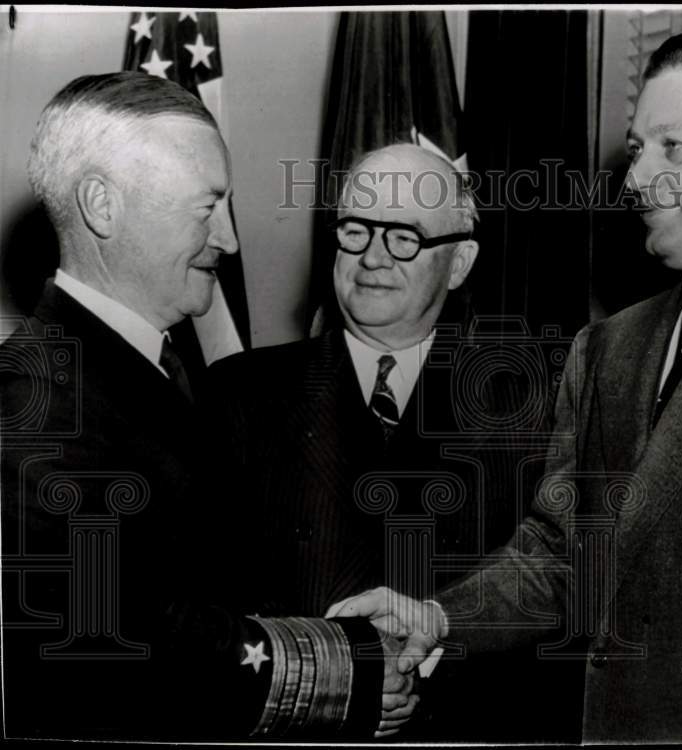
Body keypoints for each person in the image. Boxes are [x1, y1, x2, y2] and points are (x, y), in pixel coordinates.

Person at [330, 28, 682, 744]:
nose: (635, 180)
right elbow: (558, 556)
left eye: (672, 148)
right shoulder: (609, 346)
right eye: (635, 150)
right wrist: (437, 616)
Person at [0, 72, 413, 741]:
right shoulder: (36, 403)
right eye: (206, 208)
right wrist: (352, 666)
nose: (228, 238)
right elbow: (116, 639)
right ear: (103, 207)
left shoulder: (136, 368)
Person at [213, 143, 581, 741]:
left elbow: (556, 588)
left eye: (404, 237)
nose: (372, 258)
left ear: (459, 263)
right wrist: (335, 686)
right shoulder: (238, 392)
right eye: (355, 230)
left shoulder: (534, 398)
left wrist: (424, 680)